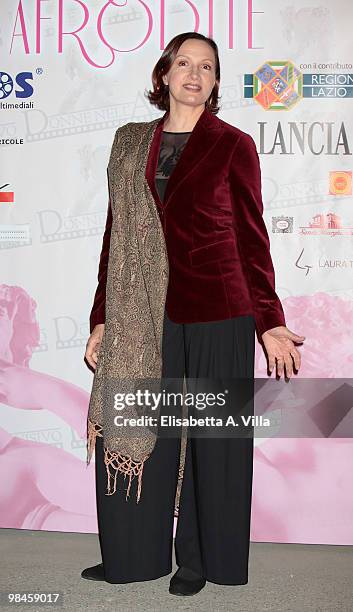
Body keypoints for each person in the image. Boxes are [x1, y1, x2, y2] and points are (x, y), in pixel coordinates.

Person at [82, 32, 305, 596]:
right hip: (144, 312)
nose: (195, 73)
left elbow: (252, 240)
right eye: (184, 62)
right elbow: (117, 239)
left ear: (215, 82)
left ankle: (203, 561)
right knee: (142, 428)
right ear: (164, 75)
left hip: (218, 307)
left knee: (213, 443)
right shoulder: (130, 142)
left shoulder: (232, 145)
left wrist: (269, 320)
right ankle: (132, 554)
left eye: (207, 66)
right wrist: (102, 318)